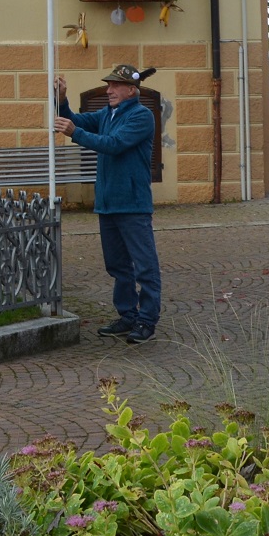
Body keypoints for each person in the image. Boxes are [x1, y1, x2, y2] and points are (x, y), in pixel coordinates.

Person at [54, 64, 161, 345]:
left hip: (133, 204)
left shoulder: (141, 116)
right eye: (108, 85)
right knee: (118, 266)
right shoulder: (107, 113)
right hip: (108, 203)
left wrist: (75, 133)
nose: (108, 90)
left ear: (131, 90)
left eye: (115, 86)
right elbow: (73, 119)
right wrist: (62, 99)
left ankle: (147, 320)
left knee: (144, 266)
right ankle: (128, 315)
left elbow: (112, 144)